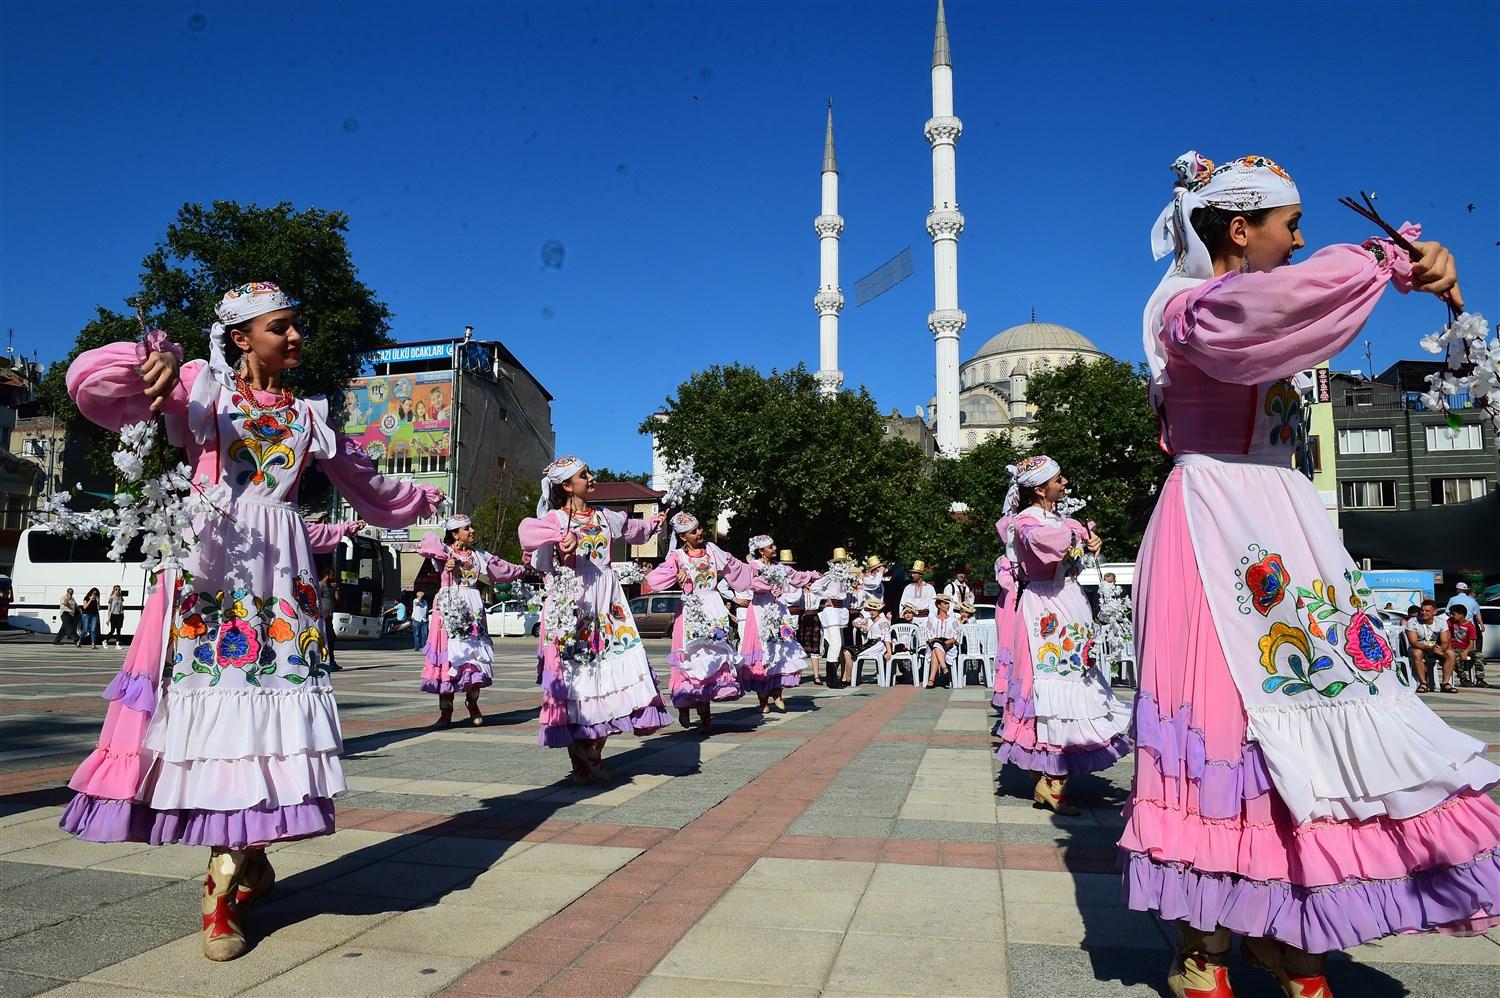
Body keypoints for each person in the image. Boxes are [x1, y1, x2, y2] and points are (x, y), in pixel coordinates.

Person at [1127, 151, 1499, 996]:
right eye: (1289, 228)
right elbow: (1270, 305)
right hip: (1212, 522)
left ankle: (1287, 927)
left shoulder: (1254, 307)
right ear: (1237, 228)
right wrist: (1384, 259)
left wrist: (1406, 266)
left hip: (1288, 524)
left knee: (1318, 712)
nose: (1299, 243)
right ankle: (1205, 940)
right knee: (1223, 726)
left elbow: (1295, 306)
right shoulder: (1188, 309)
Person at [56, 282, 442, 961]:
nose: (296, 338)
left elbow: (369, 487)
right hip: (213, 567)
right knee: (215, 720)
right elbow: (90, 386)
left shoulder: (311, 416)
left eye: (296, 327)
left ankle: (242, 865)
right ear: (240, 338)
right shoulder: (202, 392)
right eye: (281, 328)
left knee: (265, 716)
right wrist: (150, 360)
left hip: (281, 581)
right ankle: (220, 895)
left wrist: (420, 500)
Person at [994, 456, 1131, 816]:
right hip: (1045, 608)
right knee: (1054, 685)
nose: (1065, 483)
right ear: (1040, 489)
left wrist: (1090, 542)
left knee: (1070, 682)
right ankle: (1052, 781)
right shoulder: (1027, 522)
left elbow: (1067, 547)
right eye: (1058, 480)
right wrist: (1079, 534)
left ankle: (1049, 778)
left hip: (1068, 602)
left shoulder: (1058, 520)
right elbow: (1044, 541)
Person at [519, 457, 670, 784]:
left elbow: (635, 530)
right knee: (579, 683)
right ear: (566, 486)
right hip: (575, 603)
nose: (592, 477)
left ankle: (590, 755)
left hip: (609, 604)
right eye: (583, 475)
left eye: (589, 472)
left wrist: (655, 522)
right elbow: (531, 542)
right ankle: (584, 758)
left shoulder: (605, 516)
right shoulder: (554, 519)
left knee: (611, 680)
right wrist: (562, 542)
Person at [644, 512, 752, 732]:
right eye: (694, 531)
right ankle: (685, 704)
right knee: (690, 658)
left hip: (713, 606)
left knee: (712, 658)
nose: (700, 532)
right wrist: (677, 574)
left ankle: (705, 714)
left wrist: (754, 572)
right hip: (691, 610)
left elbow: (733, 566)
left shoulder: (712, 550)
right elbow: (656, 579)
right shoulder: (677, 557)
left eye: (699, 528)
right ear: (683, 537)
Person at [419, 515, 524, 728]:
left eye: (471, 527)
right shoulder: (444, 552)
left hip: (473, 608)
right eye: (467, 528)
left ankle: (472, 702)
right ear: (455, 533)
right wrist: (445, 559)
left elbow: (502, 568)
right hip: (450, 607)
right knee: (448, 660)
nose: (472, 531)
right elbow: (427, 542)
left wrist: (524, 568)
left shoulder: (479, 555)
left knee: (473, 660)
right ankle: (445, 711)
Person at [738, 537, 820, 714]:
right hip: (760, 610)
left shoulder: (780, 567)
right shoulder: (754, 567)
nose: (774, 548)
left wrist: (814, 575)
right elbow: (750, 583)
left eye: (774, 545)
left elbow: (797, 577)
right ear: (761, 551)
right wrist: (768, 586)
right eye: (770, 547)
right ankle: (763, 699)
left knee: (782, 650)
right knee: (763, 652)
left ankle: (778, 693)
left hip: (778, 608)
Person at [1406, 598, 1455, 693]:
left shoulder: (1441, 622)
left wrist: (1441, 649)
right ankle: (1423, 683)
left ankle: (1445, 683)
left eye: (1427, 611)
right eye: (1422, 610)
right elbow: (1413, 642)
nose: (1423, 612)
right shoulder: (1413, 621)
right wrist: (1429, 648)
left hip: (1435, 648)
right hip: (1419, 648)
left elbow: (1445, 641)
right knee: (1417, 653)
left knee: (1451, 653)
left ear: (1434, 612)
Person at [921, 594, 960, 688]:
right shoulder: (932, 620)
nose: (947, 606)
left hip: (949, 645)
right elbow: (929, 636)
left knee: (936, 649)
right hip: (934, 644)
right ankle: (945, 669)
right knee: (936, 646)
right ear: (939, 605)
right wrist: (938, 643)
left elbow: (955, 637)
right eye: (945, 603)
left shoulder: (953, 620)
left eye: (948, 604)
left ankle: (931, 680)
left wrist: (944, 643)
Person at [1446, 604, 1487, 689]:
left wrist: (1466, 652)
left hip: (1466, 648)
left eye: (1453, 614)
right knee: (1455, 657)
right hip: (1454, 648)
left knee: (1479, 655)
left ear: (1461, 614)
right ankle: (1463, 678)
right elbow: (1447, 635)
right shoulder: (1450, 622)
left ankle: (1480, 679)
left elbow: (1471, 642)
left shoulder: (1470, 626)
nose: (1451, 616)